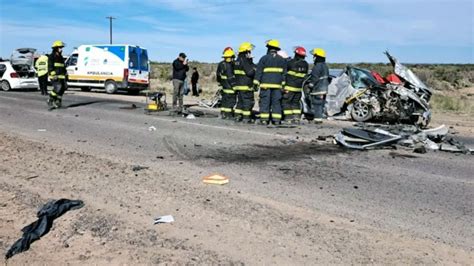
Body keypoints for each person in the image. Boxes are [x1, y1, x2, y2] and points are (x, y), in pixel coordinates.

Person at [254, 39, 287, 125]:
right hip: (277, 86)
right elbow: (284, 74)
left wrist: (256, 83)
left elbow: (258, 72)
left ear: (268, 48)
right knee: (276, 103)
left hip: (265, 86)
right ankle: (276, 120)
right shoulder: (282, 60)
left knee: (265, 102)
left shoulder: (263, 58)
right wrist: (283, 85)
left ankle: (264, 120)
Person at [282, 46, 309, 124]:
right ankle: (296, 118)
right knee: (295, 103)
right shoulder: (306, 65)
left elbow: (284, 74)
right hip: (298, 88)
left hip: (289, 87)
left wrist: (283, 86)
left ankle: (288, 119)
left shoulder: (290, 63)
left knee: (286, 102)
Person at [233, 42, 256, 123]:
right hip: (246, 86)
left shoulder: (237, 60)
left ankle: (237, 116)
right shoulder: (245, 60)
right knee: (247, 102)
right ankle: (246, 118)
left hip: (239, 86)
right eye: (249, 51)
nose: (250, 53)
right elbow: (250, 72)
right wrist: (254, 67)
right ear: (246, 51)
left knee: (240, 102)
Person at [308, 48, 329, 123]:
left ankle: (317, 119)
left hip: (318, 89)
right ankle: (319, 118)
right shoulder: (325, 66)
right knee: (321, 104)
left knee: (317, 104)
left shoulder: (317, 66)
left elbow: (314, 77)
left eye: (314, 56)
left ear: (318, 57)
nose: (313, 57)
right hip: (324, 89)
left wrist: (310, 85)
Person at [216, 48, 236, 119]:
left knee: (224, 100)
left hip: (224, 86)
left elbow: (218, 76)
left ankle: (223, 113)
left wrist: (221, 83)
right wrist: (234, 86)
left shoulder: (221, 64)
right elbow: (231, 77)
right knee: (230, 101)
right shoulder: (231, 65)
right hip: (230, 87)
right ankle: (228, 115)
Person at [47, 40, 67, 109]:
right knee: (58, 87)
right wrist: (53, 74)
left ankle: (58, 101)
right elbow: (50, 67)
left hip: (61, 76)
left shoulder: (61, 57)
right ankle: (51, 98)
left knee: (64, 87)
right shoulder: (51, 56)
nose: (61, 49)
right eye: (60, 48)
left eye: (61, 48)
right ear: (56, 48)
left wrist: (66, 74)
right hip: (54, 76)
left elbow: (63, 66)